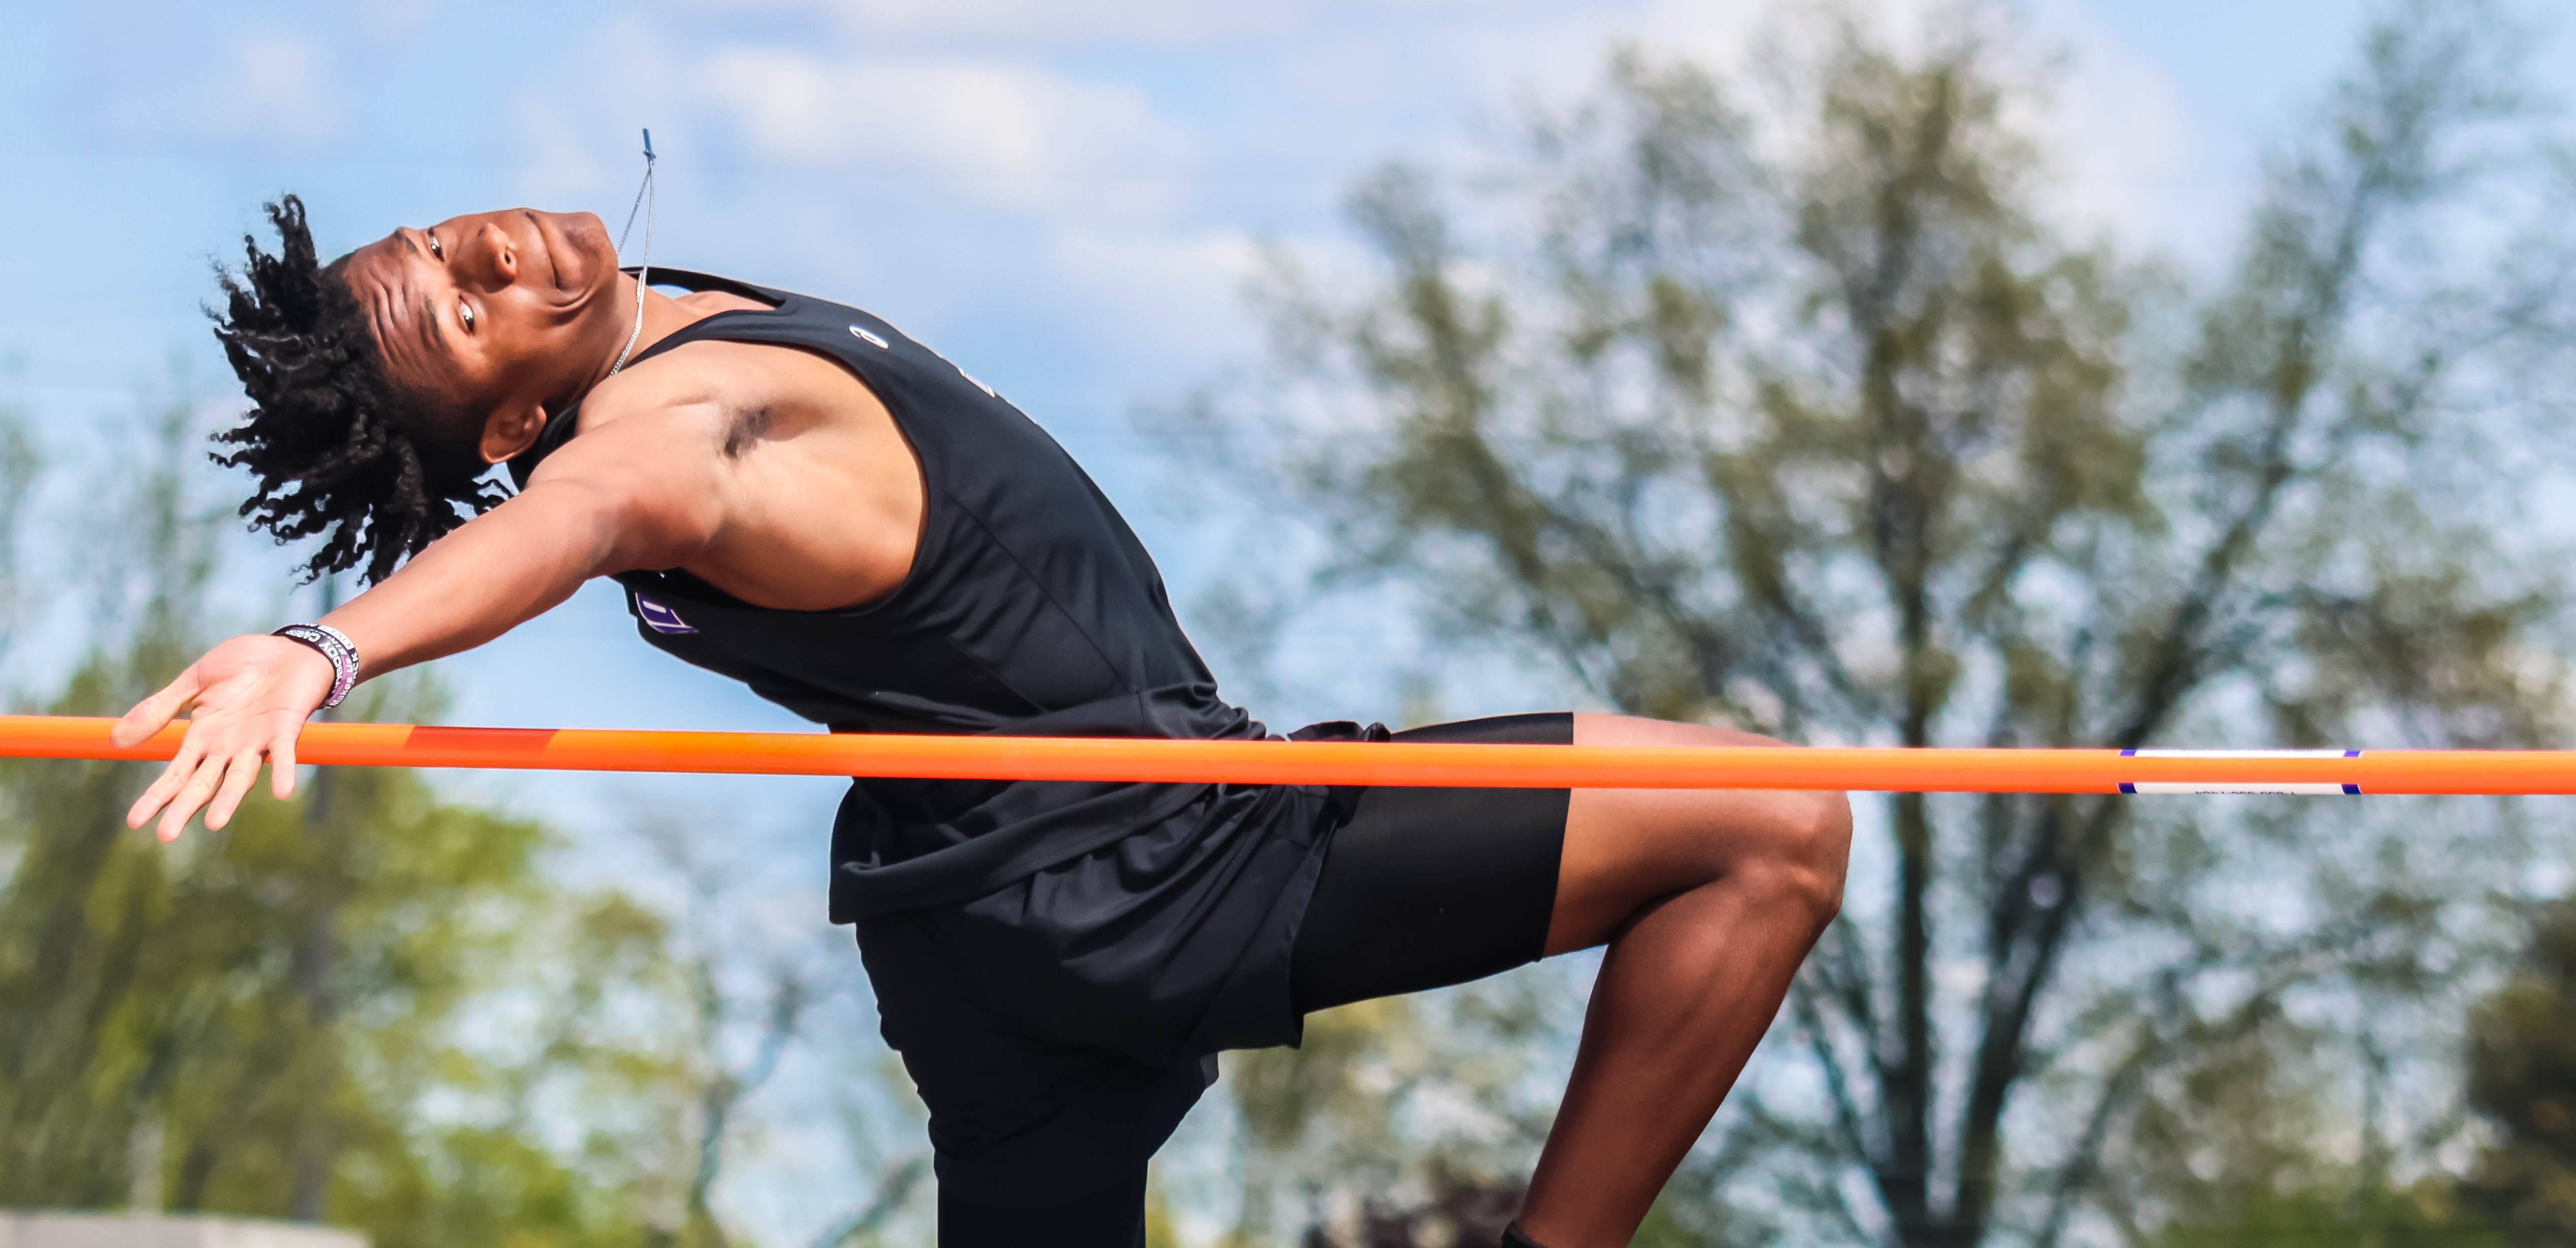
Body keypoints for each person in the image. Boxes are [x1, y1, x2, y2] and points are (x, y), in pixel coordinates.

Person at [114, 196, 1852, 1248]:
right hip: (1155, 851)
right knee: (1767, 820)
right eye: (464, 311)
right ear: (502, 425)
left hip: (979, 931)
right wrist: (320, 651)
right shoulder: (659, 425)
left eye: (439, 244)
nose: (486, 252)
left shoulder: (667, 328)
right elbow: (581, 522)